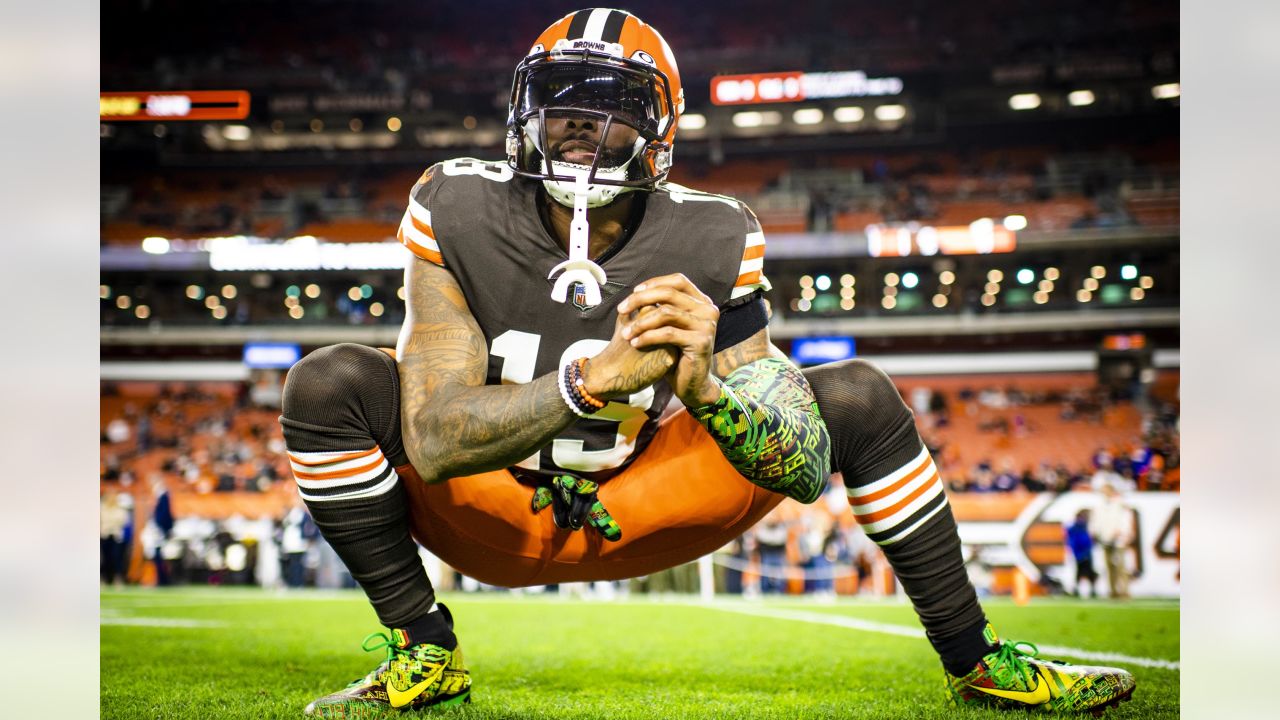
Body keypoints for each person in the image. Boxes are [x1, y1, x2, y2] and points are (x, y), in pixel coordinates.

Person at [279, 9, 1134, 717]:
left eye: (612, 102)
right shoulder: (454, 202)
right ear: (522, 111)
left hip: (651, 501)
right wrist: (590, 381)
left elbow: (798, 468)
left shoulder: (716, 232)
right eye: (561, 99)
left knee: (858, 397)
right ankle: (426, 652)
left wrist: (708, 391)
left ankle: (978, 663)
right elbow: (431, 442)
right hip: (486, 508)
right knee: (331, 382)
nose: (581, 121)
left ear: (660, 130)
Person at [1091, 482, 1135, 599]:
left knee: (1121, 565)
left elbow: (1125, 519)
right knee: (1108, 565)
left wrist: (1123, 532)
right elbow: (1096, 521)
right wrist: (1095, 531)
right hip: (1105, 538)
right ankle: (1112, 590)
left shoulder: (1120, 503)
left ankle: (1125, 590)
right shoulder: (1099, 505)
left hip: (1118, 538)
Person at [1065, 509, 1098, 598]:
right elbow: (1071, 540)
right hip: (1079, 552)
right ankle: (1077, 589)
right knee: (1079, 571)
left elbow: (1090, 540)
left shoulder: (1087, 526)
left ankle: (1093, 589)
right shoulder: (1074, 528)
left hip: (1086, 552)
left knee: (1089, 571)